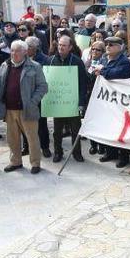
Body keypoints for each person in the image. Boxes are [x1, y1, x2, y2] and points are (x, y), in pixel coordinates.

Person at [0, 40, 48, 174]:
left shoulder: (34, 66)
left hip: (27, 109)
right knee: (12, 138)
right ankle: (16, 162)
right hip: (9, 109)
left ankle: (35, 163)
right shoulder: (4, 65)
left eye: (18, 50)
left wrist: (32, 102)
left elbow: (43, 86)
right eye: (12, 50)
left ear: (25, 52)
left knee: (32, 138)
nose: (14, 53)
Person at [46, 35, 88, 163]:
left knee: (75, 130)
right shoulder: (50, 61)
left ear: (70, 47)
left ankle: (77, 153)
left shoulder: (77, 61)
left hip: (73, 103)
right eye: (59, 45)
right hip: (57, 103)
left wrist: (81, 103)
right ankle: (58, 152)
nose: (61, 47)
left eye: (64, 45)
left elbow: (83, 84)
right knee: (57, 131)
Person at [95, 36, 130, 167]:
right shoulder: (104, 58)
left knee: (121, 128)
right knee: (108, 127)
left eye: (111, 44)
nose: (108, 47)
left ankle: (124, 155)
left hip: (119, 100)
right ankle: (110, 152)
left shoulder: (124, 61)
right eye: (107, 44)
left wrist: (103, 71)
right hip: (107, 99)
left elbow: (117, 73)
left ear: (119, 47)